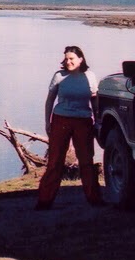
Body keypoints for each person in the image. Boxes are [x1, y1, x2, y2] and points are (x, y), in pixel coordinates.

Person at [35, 45, 104, 209]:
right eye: (66, 59)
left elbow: (94, 100)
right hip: (61, 120)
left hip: (83, 121)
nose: (68, 62)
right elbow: (50, 100)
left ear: (81, 59)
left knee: (86, 161)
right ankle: (45, 201)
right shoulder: (59, 76)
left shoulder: (90, 76)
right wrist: (47, 122)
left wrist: (98, 120)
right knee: (54, 162)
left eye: (71, 58)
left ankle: (94, 199)